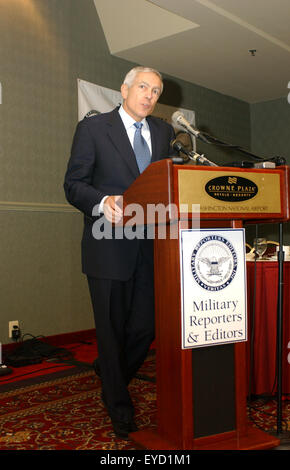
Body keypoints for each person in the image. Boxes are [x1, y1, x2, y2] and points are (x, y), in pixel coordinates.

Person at [64, 66, 175, 439]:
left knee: (145, 327)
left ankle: (111, 374)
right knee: (110, 332)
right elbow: (73, 184)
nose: (149, 95)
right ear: (124, 89)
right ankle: (119, 407)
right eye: (143, 87)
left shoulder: (164, 132)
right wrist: (101, 201)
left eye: (156, 91)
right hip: (107, 245)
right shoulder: (93, 129)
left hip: (152, 246)